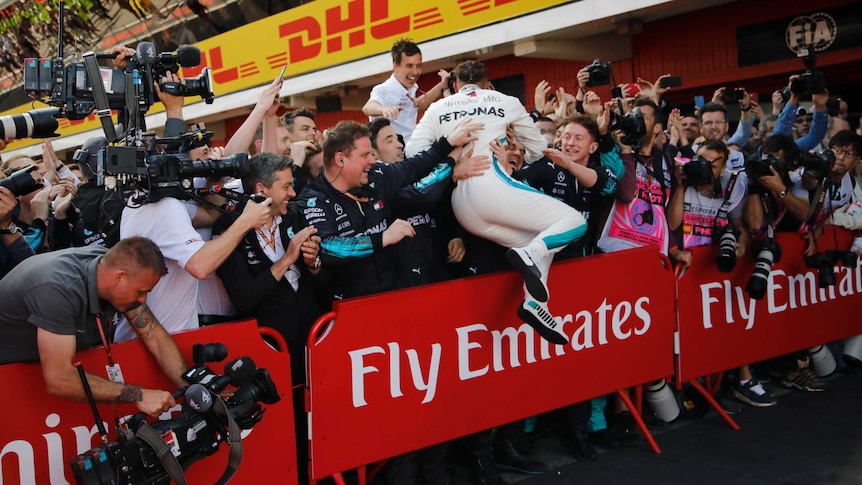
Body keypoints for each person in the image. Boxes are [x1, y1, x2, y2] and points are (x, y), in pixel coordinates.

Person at [407, 59, 587, 345]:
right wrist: (517, 161)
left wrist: (451, 166)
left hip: (461, 203)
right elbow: (539, 148)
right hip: (493, 187)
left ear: (454, 86)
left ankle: (535, 303)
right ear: (487, 84)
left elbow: (414, 152)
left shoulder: (438, 107)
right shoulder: (504, 100)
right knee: (575, 223)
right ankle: (530, 257)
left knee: (540, 239)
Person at [291, 119, 482, 305]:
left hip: (394, 297)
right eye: (365, 155)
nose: (373, 160)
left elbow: (413, 167)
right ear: (340, 159)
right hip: (350, 309)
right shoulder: (313, 198)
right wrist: (382, 238)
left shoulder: (377, 176)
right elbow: (327, 247)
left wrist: (448, 145)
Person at [0, 237, 186, 417]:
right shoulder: (57, 289)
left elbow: (154, 336)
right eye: (141, 292)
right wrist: (139, 395)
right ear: (119, 278)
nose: (143, 300)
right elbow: (59, 379)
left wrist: (191, 385)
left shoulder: (110, 266)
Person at [362, 38, 451, 145]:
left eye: (418, 66)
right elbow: (368, 107)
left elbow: (415, 107)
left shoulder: (409, 88)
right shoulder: (384, 89)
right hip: (394, 157)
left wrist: (442, 85)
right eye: (409, 66)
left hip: (411, 149)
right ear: (396, 67)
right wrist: (385, 109)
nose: (415, 72)